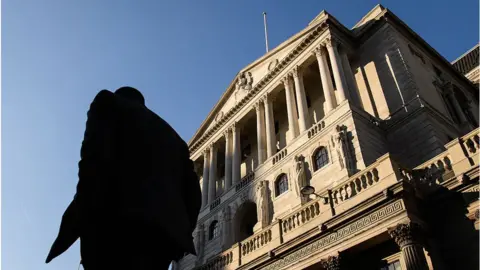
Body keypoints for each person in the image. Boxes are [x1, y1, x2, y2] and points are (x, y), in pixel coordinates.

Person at [46, 87, 202, 269]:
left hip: (112, 223)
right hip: (161, 239)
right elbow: (193, 195)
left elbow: (91, 162)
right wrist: (181, 232)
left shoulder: (108, 102)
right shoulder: (177, 140)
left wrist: (82, 212)